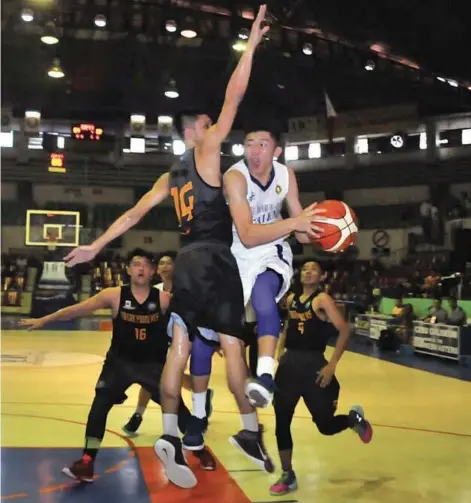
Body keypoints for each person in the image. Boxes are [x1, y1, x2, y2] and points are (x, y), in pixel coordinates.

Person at [63, 6, 319, 488]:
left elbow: (133, 215)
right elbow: (235, 95)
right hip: (215, 258)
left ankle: (170, 431)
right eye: (206, 123)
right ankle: (248, 426)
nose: (214, 128)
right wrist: (252, 43)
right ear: (195, 131)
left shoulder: (167, 175)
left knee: (179, 347)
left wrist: (95, 246)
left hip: (183, 263)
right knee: (231, 345)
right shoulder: (206, 152)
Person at [18, 249, 195, 481]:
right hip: (119, 364)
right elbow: (77, 309)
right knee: (98, 408)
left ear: (152, 272)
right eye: (136, 264)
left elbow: (188, 322)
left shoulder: (163, 299)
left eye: (145, 265)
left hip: (152, 365)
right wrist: (44, 320)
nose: (140, 268)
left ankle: (198, 449)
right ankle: (87, 462)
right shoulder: (114, 295)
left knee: (179, 411)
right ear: (129, 270)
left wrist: (213, 342)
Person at [224, 124, 321, 408]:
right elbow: (247, 234)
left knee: (263, 296)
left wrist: (321, 230)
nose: (254, 151)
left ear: (276, 150)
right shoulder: (235, 177)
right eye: (249, 143)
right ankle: (199, 409)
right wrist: (295, 224)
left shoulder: (285, 174)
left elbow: (301, 231)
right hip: (238, 253)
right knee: (207, 337)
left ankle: (265, 376)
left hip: (272, 249)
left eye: (262, 144)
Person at [269, 260, 373, 496]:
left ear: (323, 276)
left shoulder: (322, 299)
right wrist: (280, 349)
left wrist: (332, 366)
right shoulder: (291, 299)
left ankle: (352, 419)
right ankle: (287, 474)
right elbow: (288, 325)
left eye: (314, 269)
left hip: (314, 364)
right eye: (305, 268)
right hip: (289, 366)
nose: (308, 271)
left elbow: (344, 330)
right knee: (281, 420)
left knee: (325, 426)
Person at [122, 251, 215, 441]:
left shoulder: (185, 290)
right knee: (157, 375)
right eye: (161, 263)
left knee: (160, 376)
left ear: (176, 267)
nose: (164, 266)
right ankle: (139, 415)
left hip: (183, 339)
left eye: (168, 263)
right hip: (158, 340)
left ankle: (139, 415)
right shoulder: (154, 289)